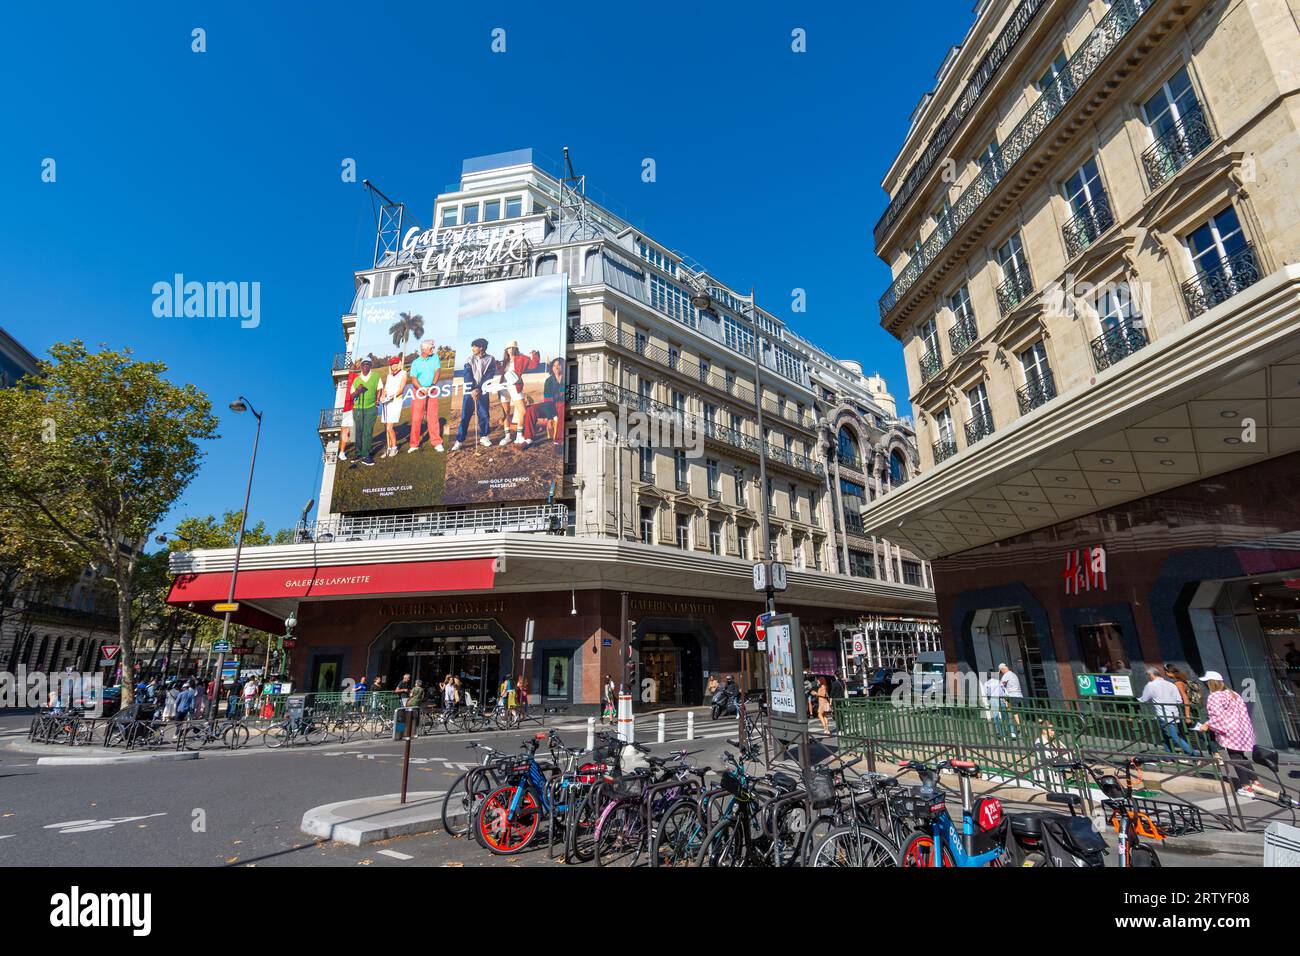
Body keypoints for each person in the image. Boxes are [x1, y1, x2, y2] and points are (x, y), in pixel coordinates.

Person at [1193, 672, 1257, 796]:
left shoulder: (1214, 697)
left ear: (1211, 683)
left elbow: (1217, 717)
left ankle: (1246, 787)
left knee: (1235, 757)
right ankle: (1255, 780)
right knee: (1241, 755)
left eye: (1207, 682)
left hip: (1230, 730)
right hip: (1242, 728)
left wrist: (1207, 725)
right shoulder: (1233, 694)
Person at [1138, 666, 1195, 756]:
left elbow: (1143, 699)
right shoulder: (1171, 684)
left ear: (1151, 675)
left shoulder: (1150, 685)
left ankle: (1194, 754)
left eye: (1148, 676)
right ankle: (1169, 757)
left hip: (1163, 715)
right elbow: (1179, 700)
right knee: (1165, 735)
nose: (1148, 678)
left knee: (1174, 737)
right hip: (1174, 713)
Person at [452, 338, 497, 449]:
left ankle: (484, 437)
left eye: (474, 346)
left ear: (481, 347)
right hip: (469, 391)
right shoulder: (469, 359)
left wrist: (479, 389)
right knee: (465, 416)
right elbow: (467, 375)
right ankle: (460, 440)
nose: (472, 348)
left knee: (484, 415)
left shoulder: (490, 359)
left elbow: (489, 375)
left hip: (483, 390)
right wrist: (473, 388)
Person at [407, 340, 444, 453]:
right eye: (431, 348)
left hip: (431, 390)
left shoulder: (435, 357)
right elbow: (413, 379)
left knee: (432, 416)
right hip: (419, 391)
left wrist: (432, 385)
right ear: (424, 349)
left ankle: (437, 442)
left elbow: (437, 371)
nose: (432, 350)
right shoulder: (415, 363)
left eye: (433, 348)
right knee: (416, 418)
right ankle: (414, 444)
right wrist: (422, 389)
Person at [522, 358, 566, 446]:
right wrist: (549, 418)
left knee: (562, 406)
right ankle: (529, 438)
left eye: (558, 365)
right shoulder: (549, 381)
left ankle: (559, 441)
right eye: (554, 365)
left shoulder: (567, 378)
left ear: (563, 366)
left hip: (563, 406)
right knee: (531, 409)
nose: (556, 368)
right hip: (551, 405)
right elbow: (548, 400)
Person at [496, 341, 531, 446]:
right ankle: (507, 436)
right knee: (506, 413)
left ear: (516, 349)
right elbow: (502, 372)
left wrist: (534, 355)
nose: (510, 350)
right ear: (506, 350)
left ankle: (519, 436)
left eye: (512, 348)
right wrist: (497, 364)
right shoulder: (505, 361)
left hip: (515, 387)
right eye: (508, 348)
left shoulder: (521, 358)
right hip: (503, 388)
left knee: (523, 411)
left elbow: (532, 364)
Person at [348, 357, 382, 467]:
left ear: (371, 365)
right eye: (363, 364)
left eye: (368, 364)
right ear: (361, 366)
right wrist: (358, 390)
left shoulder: (376, 376)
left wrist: (377, 400)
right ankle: (358, 453)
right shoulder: (357, 379)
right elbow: (352, 395)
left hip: (371, 407)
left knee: (367, 431)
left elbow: (379, 389)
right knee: (358, 431)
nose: (365, 366)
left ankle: (366, 455)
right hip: (358, 408)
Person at [379, 355, 408, 457]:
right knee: (386, 426)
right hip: (386, 402)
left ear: (399, 363)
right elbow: (386, 388)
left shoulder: (403, 373)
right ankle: (389, 447)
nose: (394, 366)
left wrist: (393, 396)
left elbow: (401, 388)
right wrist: (383, 395)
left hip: (396, 401)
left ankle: (394, 448)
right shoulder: (389, 376)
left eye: (395, 363)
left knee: (389, 427)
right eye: (392, 364)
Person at [339, 361, 359, 462]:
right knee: (347, 431)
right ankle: (342, 452)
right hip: (348, 407)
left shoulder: (354, 376)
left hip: (348, 406)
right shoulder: (354, 376)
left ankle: (343, 452)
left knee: (348, 431)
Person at [997, 664, 1022, 739]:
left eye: (1001, 672)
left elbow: (1000, 685)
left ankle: (1016, 731)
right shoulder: (1013, 674)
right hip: (1018, 695)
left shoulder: (1006, 675)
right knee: (1016, 713)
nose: (1002, 673)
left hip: (1012, 696)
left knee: (1012, 714)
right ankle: (1022, 729)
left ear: (1002, 669)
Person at [983, 670, 1007, 738]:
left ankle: (1000, 732)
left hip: (993, 699)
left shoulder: (987, 683)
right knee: (1004, 714)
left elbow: (986, 693)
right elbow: (1003, 691)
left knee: (996, 716)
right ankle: (1008, 730)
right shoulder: (998, 682)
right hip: (1001, 698)